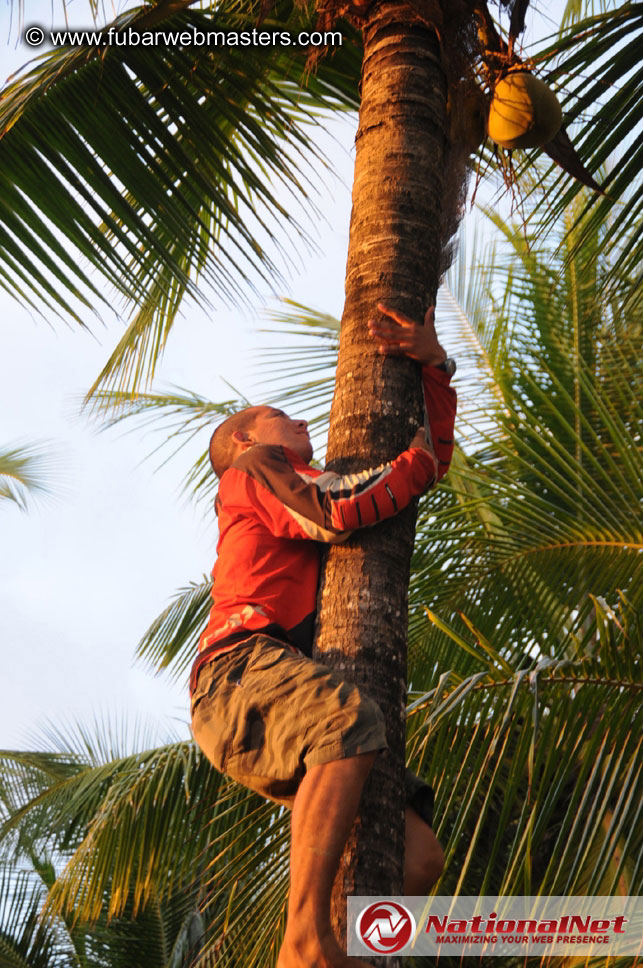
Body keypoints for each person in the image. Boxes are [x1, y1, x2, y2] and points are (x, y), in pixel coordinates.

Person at [190, 304, 457, 968]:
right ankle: (305, 936)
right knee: (348, 727)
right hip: (237, 668)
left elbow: (417, 464)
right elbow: (338, 512)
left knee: (419, 858)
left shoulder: (283, 473)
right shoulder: (252, 466)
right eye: (283, 414)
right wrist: (417, 465)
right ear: (248, 435)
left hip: (268, 686)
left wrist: (434, 365)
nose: (303, 420)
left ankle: (351, 955)